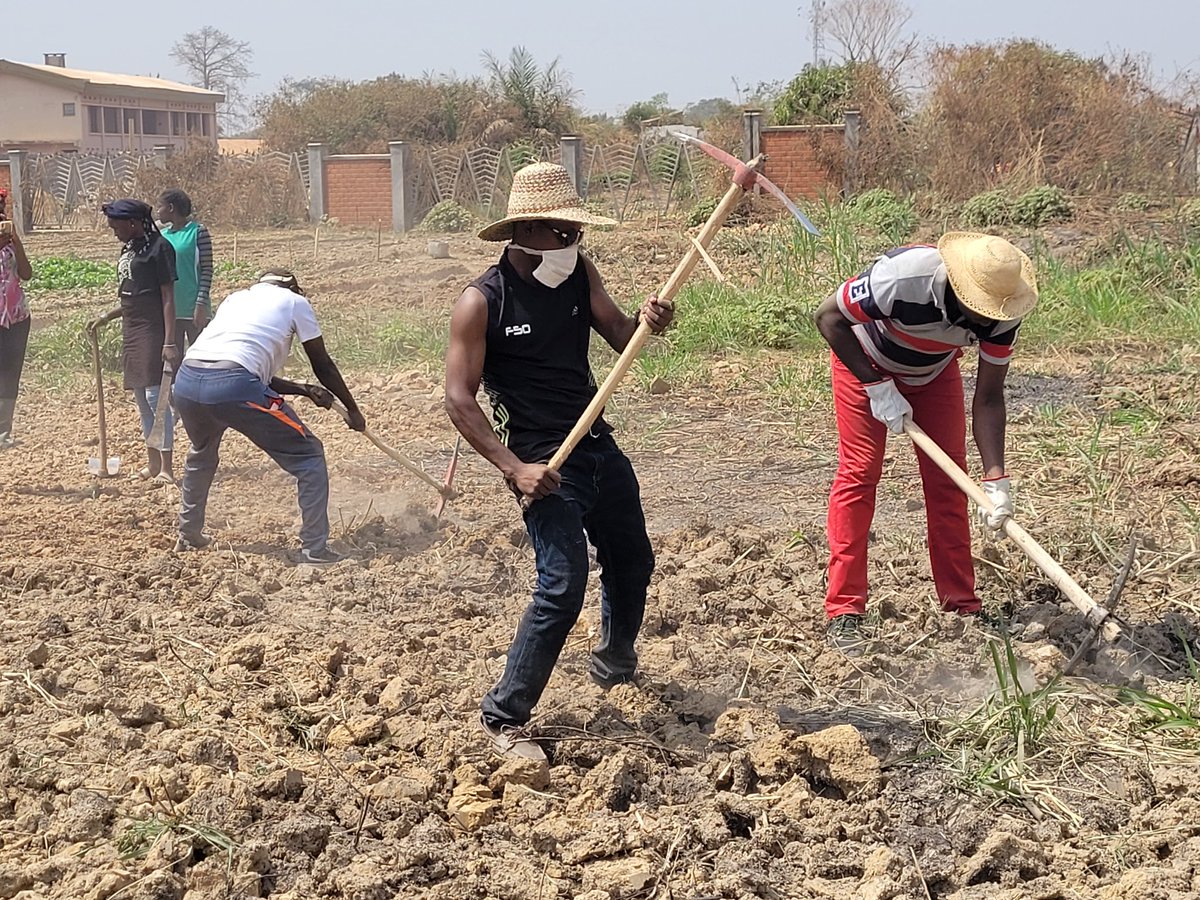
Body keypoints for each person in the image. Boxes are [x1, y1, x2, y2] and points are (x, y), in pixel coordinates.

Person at [445, 162, 673, 760]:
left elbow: (621, 335)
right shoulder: (481, 302)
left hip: (595, 445)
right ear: (528, 232)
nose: (576, 244)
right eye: (565, 233)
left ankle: (615, 660)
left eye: (578, 234)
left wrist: (648, 324)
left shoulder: (578, 274)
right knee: (562, 584)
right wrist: (513, 467)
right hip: (543, 466)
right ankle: (504, 717)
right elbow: (458, 399)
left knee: (633, 558)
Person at [813, 233, 1038, 655]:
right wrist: (877, 386)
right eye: (979, 310)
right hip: (863, 363)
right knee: (860, 475)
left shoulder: (1006, 309)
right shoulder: (902, 278)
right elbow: (828, 318)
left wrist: (996, 479)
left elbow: (989, 396)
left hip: (934, 374)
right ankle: (844, 611)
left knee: (950, 484)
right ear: (959, 288)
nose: (986, 322)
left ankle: (962, 607)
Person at [173, 270, 366, 565]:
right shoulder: (294, 302)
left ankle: (188, 534)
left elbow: (243, 365)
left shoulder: (236, 299)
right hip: (233, 384)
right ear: (294, 288)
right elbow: (323, 364)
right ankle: (315, 549)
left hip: (187, 382)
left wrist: (303, 390)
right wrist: (353, 410)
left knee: (202, 451)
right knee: (309, 454)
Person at [88, 199, 178, 483]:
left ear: (133, 223)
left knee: (156, 398)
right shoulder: (129, 248)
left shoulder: (161, 249)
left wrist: (169, 341)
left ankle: (166, 467)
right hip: (132, 328)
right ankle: (152, 464)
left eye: (116, 226)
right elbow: (130, 294)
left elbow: (166, 298)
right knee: (141, 399)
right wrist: (105, 316)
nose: (114, 231)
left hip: (153, 329)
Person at [156, 189, 213, 348]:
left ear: (171, 208)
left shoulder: (198, 232)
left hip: (192, 308)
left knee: (200, 355)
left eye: (160, 206)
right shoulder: (162, 235)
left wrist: (200, 304)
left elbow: (207, 270)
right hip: (170, 310)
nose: (158, 211)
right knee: (174, 360)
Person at [0, 198, 34, 448]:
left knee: (11, 374)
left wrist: (16, 242)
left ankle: (4, 431)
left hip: (17, 317)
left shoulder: (10, 245)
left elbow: (26, 273)